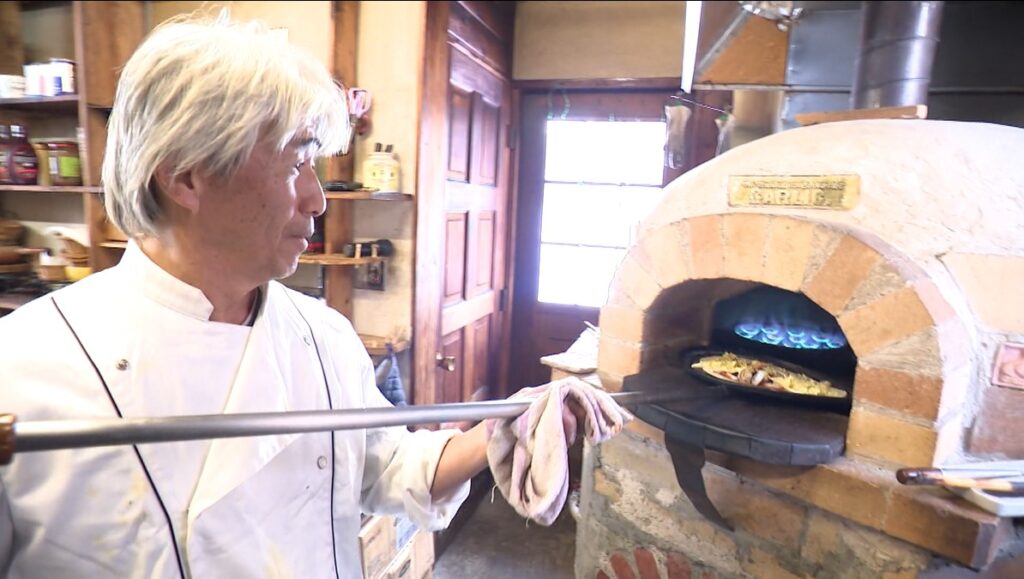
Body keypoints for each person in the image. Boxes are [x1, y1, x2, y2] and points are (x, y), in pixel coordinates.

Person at [0, 13, 492, 578]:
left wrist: (495, 436)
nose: (317, 200)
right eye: (297, 162)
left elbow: (385, 465)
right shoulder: (21, 369)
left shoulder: (323, 336)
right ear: (185, 176)